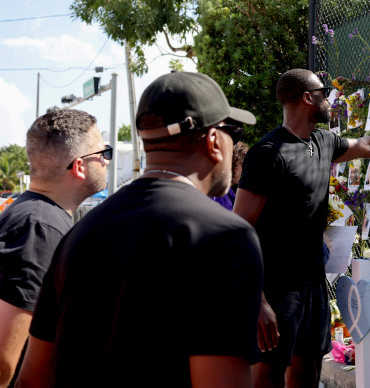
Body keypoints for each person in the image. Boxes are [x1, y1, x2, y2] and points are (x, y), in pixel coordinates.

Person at [16, 72, 262, 387]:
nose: (236, 143)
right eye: (233, 131)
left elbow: (32, 379)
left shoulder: (80, 234)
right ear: (214, 141)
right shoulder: (225, 238)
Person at [233, 68, 370, 388]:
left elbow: (369, 145)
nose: (329, 98)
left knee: (308, 372)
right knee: (268, 376)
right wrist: (257, 301)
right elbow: (239, 229)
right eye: (323, 92)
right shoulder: (268, 153)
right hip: (275, 289)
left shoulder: (322, 141)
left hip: (312, 283)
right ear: (306, 97)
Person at [0, 109, 109, 387]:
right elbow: (3, 361)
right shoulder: (38, 228)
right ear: (79, 166)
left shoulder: (34, 217)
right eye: (103, 152)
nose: (106, 161)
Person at [211, 141, 249, 211]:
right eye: (242, 163)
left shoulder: (228, 191)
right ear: (234, 161)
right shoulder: (219, 191)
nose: (244, 170)